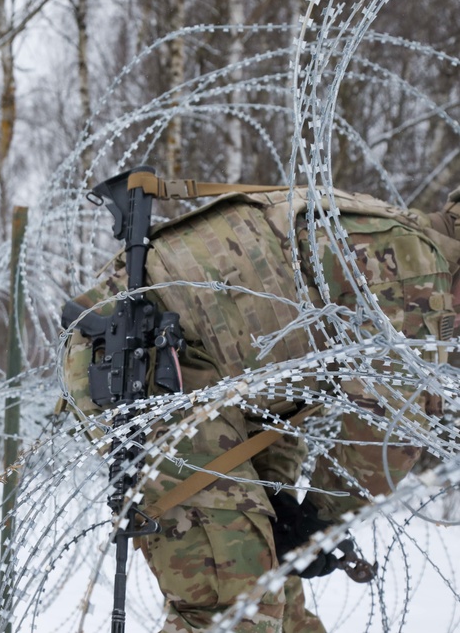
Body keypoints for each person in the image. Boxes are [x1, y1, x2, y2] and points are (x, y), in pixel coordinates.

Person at [59, 171, 460, 633]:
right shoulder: (416, 267)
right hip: (144, 361)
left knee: (271, 586)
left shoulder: (378, 223)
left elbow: (287, 371)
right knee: (235, 606)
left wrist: (289, 506)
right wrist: (321, 521)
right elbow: (389, 428)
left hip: (187, 363)